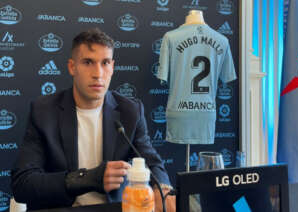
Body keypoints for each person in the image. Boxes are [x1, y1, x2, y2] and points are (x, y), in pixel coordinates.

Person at [11, 28, 175, 212]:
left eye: (105, 63)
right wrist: (88, 178)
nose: (98, 73)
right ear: (72, 67)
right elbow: (23, 184)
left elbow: (151, 163)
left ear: (112, 67)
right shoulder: (44, 111)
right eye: (88, 62)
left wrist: (164, 191)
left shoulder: (130, 111)